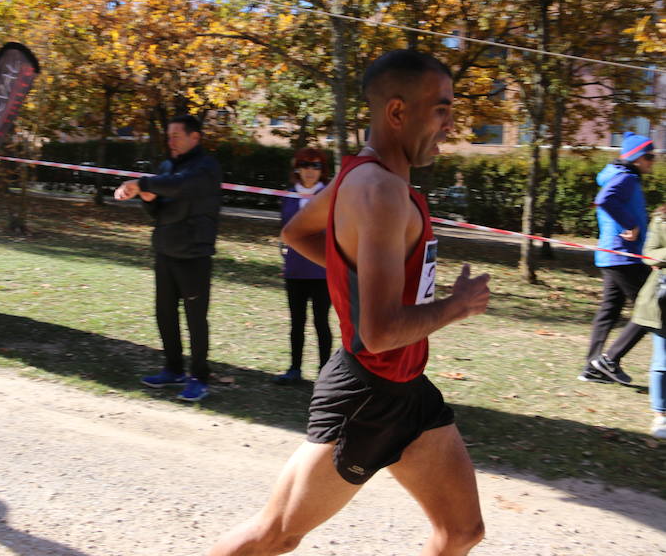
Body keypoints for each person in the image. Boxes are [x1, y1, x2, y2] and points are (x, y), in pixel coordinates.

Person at [208, 49, 490, 556]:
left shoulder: (363, 176)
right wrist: (457, 304)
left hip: (408, 389)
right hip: (366, 396)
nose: (450, 124)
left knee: (463, 532)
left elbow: (297, 233)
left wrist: (349, 277)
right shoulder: (378, 190)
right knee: (276, 535)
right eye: (441, 109)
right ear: (398, 112)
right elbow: (379, 332)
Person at [114, 114, 222, 402]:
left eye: (176, 135)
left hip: (195, 254)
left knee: (195, 319)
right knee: (165, 313)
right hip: (165, 250)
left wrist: (142, 183)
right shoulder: (166, 167)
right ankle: (173, 369)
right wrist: (147, 198)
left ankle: (199, 376)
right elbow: (159, 211)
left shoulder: (206, 167)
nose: (170, 140)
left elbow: (181, 186)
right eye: (169, 135)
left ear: (194, 137)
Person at [579, 132, 656, 385]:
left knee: (609, 311)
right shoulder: (625, 177)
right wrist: (631, 224)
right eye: (650, 157)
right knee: (652, 308)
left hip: (612, 255)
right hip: (624, 256)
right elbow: (604, 200)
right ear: (636, 158)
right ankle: (609, 359)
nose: (652, 162)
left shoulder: (622, 175)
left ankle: (592, 367)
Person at [274, 148, 333, 385]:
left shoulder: (329, 196)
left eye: (316, 166)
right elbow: (284, 231)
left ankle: (326, 374)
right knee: (296, 322)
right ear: (297, 167)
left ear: (322, 171)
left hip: (322, 272)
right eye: (306, 165)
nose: (310, 171)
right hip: (295, 271)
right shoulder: (288, 195)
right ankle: (294, 369)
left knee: (321, 322)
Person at [628, 204, 666, 439]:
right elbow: (649, 253)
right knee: (663, 359)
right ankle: (661, 415)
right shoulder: (661, 220)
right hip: (662, 301)